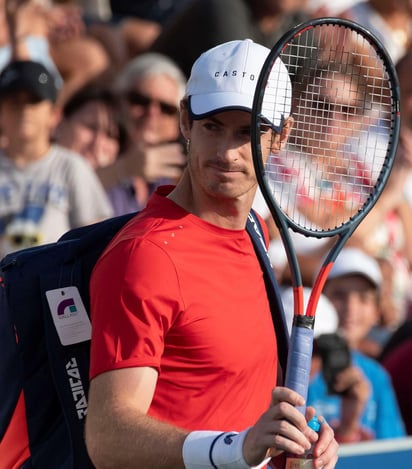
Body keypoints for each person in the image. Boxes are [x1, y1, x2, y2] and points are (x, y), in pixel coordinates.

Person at [85, 39, 338, 469]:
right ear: (185, 120)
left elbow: (240, 411)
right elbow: (107, 436)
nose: (226, 153)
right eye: (212, 126)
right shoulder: (146, 256)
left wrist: (293, 445)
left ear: (282, 135)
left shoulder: (254, 231)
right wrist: (235, 449)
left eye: (247, 132)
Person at [0, 59, 113, 258]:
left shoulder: (72, 167)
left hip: (54, 285)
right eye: (14, 101)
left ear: (54, 114)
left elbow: (96, 242)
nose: (24, 109)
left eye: (34, 100)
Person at [307, 247, 406, 442]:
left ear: (377, 311)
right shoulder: (293, 368)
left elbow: (392, 453)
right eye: (339, 295)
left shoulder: (377, 377)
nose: (351, 308)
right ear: (316, 301)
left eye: (363, 299)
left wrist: (348, 430)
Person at [96, 52, 187, 216]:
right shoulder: (95, 147)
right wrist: (123, 169)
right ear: (119, 103)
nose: (152, 113)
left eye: (166, 108)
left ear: (180, 121)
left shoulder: (185, 179)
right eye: (140, 100)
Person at [149, 0, 310, 78]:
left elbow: (308, 91)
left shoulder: (300, 23)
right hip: (161, 120)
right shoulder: (222, 6)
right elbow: (242, 84)